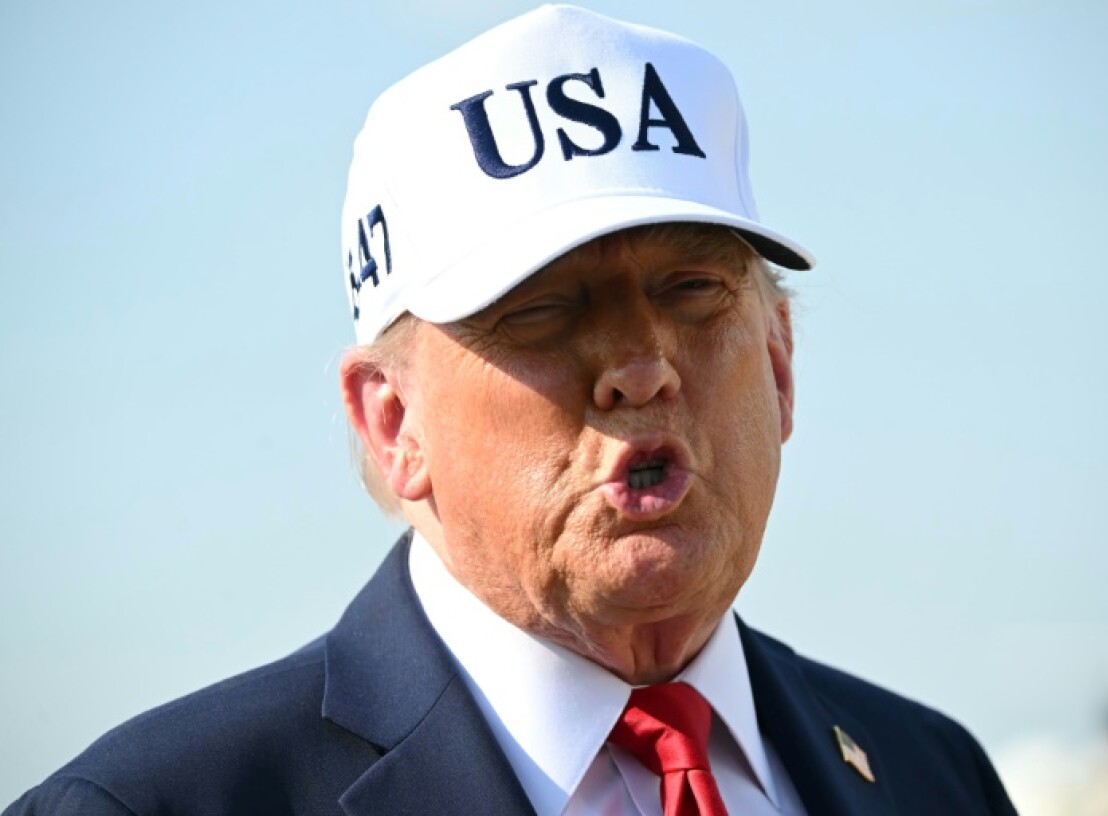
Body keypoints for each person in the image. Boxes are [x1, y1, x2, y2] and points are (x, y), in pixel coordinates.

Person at [6, 6, 1018, 815]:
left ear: (780, 363)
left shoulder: (933, 774)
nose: (640, 368)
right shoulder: (153, 805)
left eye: (691, 292)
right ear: (393, 423)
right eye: (544, 311)